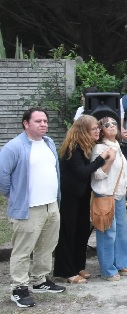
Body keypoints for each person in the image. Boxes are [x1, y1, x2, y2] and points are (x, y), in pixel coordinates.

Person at [0, 108, 66, 307]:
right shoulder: (14, 147)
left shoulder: (49, 143)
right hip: (28, 209)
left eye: (45, 121)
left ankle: (40, 280)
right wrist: (14, 196)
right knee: (23, 249)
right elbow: (3, 177)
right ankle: (19, 288)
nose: (43, 124)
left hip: (51, 205)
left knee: (47, 245)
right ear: (26, 124)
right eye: (38, 121)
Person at [54, 115, 109, 284]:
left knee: (82, 231)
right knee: (68, 233)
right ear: (83, 131)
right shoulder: (73, 148)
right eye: (94, 129)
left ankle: (78, 266)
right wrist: (102, 159)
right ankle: (66, 271)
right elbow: (82, 172)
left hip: (83, 195)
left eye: (98, 128)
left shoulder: (87, 146)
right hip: (70, 197)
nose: (98, 131)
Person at [91, 116, 127, 280]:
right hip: (105, 193)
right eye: (106, 124)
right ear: (101, 130)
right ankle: (108, 269)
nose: (112, 126)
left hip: (119, 194)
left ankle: (121, 263)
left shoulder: (118, 146)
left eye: (114, 123)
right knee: (107, 232)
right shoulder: (99, 148)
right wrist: (110, 160)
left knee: (121, 230)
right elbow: (97, 174)